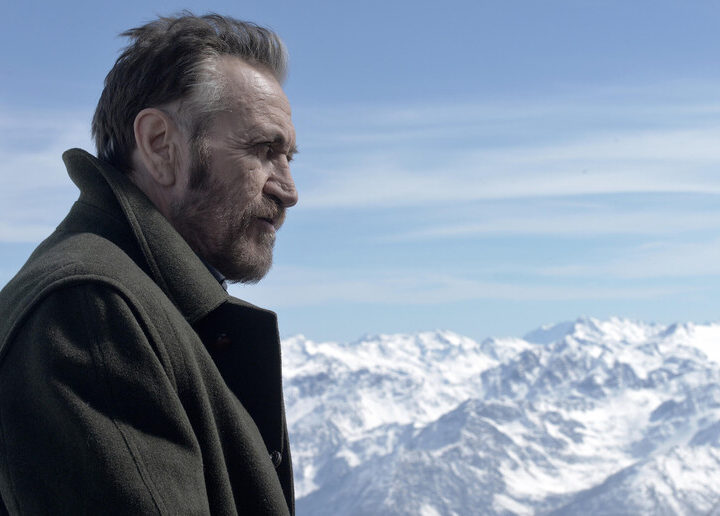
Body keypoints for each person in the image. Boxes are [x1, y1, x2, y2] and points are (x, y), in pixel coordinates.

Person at [0, 13, 298, 515]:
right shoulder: (90, 312)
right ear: (161, 145)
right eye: (263, 150)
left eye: (289, 156)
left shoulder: (138, 302)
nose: (289, 190)